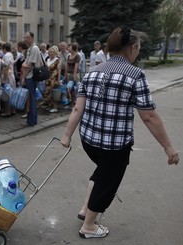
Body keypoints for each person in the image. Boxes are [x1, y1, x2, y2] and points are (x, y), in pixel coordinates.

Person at [60, 26, 180, 239]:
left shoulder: (93, 71)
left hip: (89, 140)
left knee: (102, 171)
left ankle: (85, 208)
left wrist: (67, 135)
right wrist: (168, 147)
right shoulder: (135, 75)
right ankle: (89, 226)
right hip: (114, 146)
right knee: (108, 182)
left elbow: (78, 108)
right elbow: (149, 116)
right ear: (133, 48)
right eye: (139, 48)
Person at [21, 31, 42, 126]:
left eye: (27, 37)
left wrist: (23, 77)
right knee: (31, 97)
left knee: (32, 98)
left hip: (31, 76)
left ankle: (32, 121)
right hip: (30, 75)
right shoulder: (30, 48)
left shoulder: (34, 48)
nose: (26, 39)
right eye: (25, 37)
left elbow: (29, 65)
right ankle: (32, 119)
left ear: (32, 38)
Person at [43, 45, 61, 113]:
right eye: (50, 52)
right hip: (47, 79)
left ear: (55, 53)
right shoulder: (47, 60)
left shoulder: (57, 60)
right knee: (47, 93)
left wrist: (58, 80)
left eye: (53, 52)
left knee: (53, 93)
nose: (51, 53)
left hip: (54, 79)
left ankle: (55, 107)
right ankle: (50, 105)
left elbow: (59, 70)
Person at [0, 42, 16, 117]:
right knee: (11, 93)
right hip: (12, 75)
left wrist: (4, 80)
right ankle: (13, 110)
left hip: (7, 77)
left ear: (4, 49)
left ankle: (7, 112)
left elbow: (6, 68)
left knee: (6, 95)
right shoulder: (11, 55)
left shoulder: (6, 56)